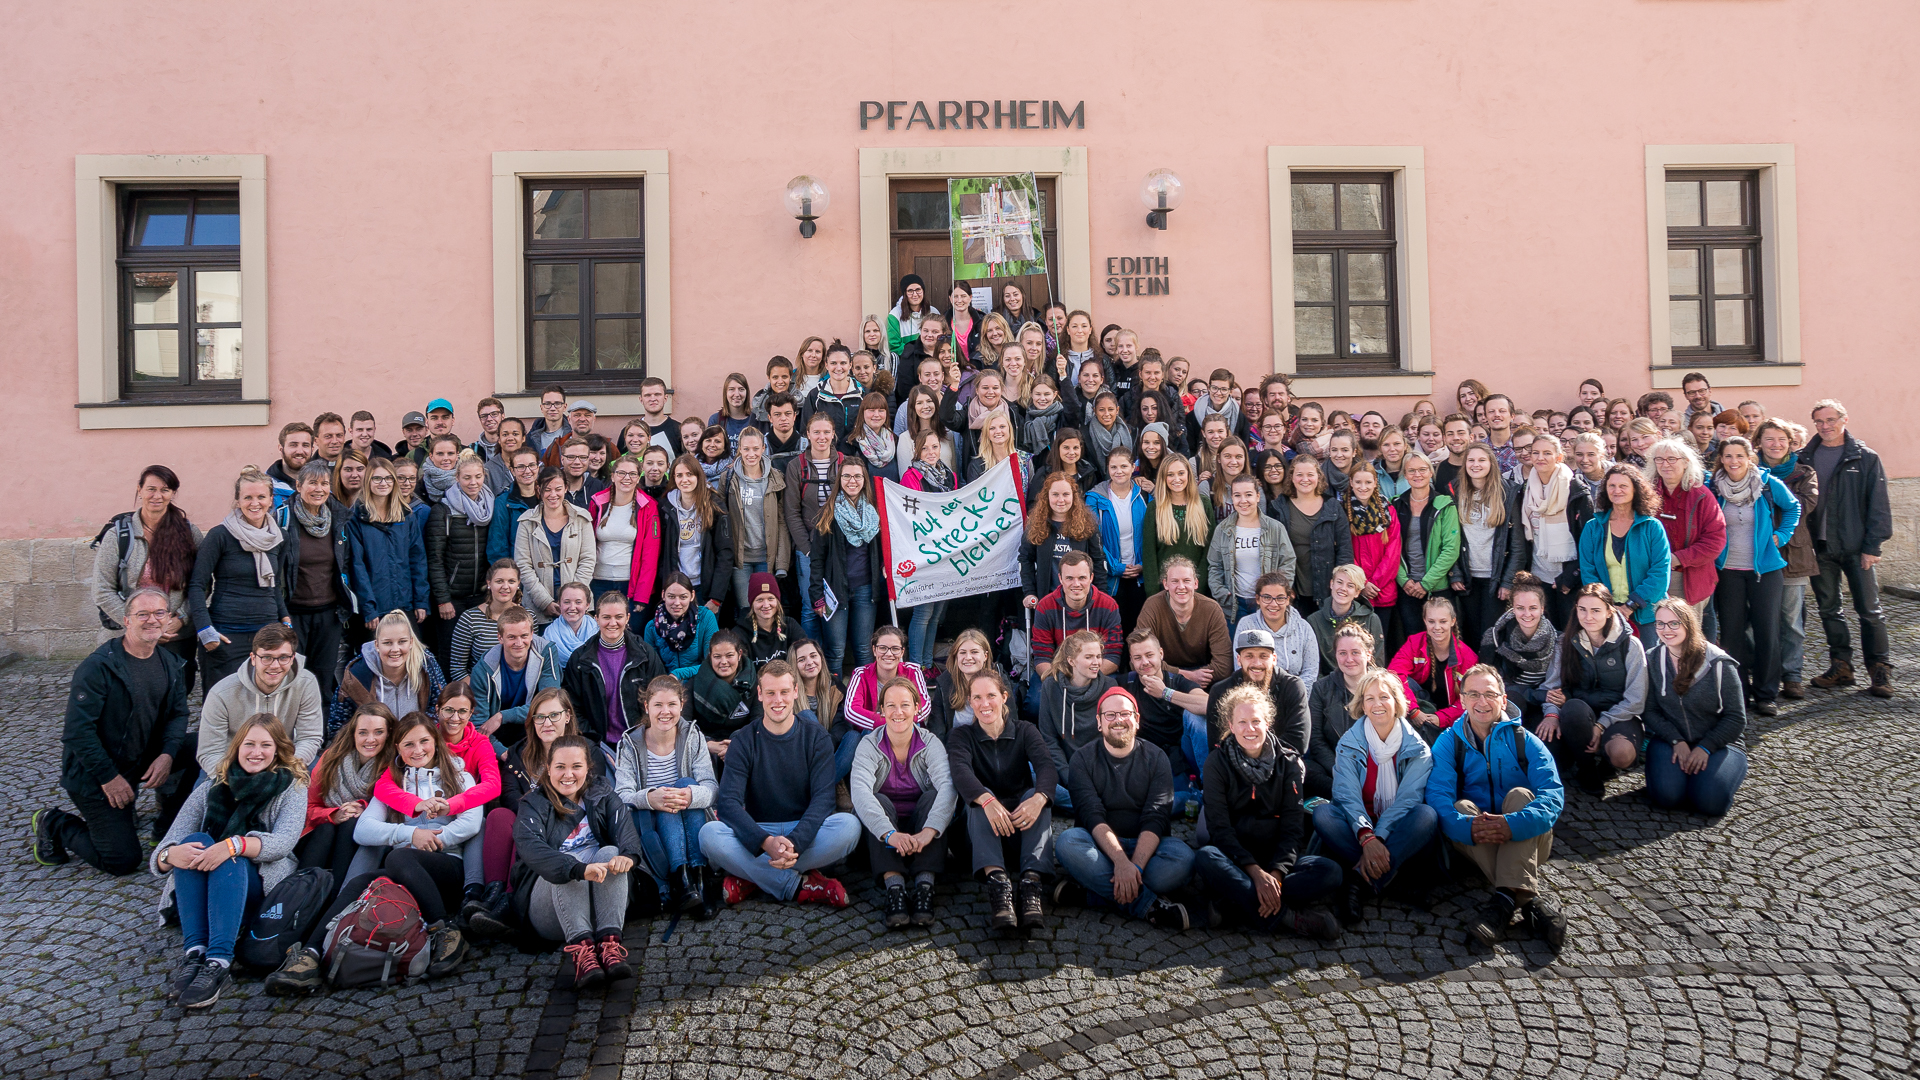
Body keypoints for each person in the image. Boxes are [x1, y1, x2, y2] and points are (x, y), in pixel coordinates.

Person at [150, 715, 308, 1008]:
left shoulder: (292, 787)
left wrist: (234, 845)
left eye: (265, 745)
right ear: (237, 747)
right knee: (193, 841)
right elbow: (165, 847)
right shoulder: (214, 784)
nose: (256, 752)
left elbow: (283, 842)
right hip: (207, 880)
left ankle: (219, 962)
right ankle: (194, 953)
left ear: (278, 750)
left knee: (228, 855)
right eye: (249, 744)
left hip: (260, 882)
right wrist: (170, 855)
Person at [32, 588, 191, 873]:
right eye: (142, 614)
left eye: (159, 613)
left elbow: (178, 715)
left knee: (204, 748)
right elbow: (77, 732)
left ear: (169, 619)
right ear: (126, 620)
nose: (152, 620)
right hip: (97, 773)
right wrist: (108, 778)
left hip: (140, 756)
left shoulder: (170, 662)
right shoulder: (99, 667)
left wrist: (167, 755)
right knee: (122, 861)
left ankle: (169, 823)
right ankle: (53, 822)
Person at [700, 661, 862, 906]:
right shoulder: (743, 740)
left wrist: (795, 842)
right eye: (771, 693)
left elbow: (824, 799)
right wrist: (766, 843)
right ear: (760, 694)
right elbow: (728, 803)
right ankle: (799, 885)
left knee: (849, 827)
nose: (778, 700)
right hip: (759, 831)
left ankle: (753, 877)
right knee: (708, 835)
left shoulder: (816, 737)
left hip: (804, 831)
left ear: (795, 692)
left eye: (784, 692)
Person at [1428, 665, 1567, 949]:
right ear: (1462, 700)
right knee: (1461, 806)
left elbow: (1553, 795)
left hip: (1529, 839)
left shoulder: (1524, 740)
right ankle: (1529, 901)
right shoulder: (1448, 742)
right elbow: (1437, 797)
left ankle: (1502, 903)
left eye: (1490, 694)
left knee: (1520, 795)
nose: (1482, 702)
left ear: (1503, 700)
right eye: (1473, 694)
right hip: (1477, 839)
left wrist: (1512, 824)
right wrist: (1466, 826)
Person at [1193, 684, 1343, 939]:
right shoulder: (1216, 763)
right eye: (1242, 722)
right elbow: (1219, 828)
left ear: (1268, 723)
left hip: (1275, 859)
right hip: (1236, 859)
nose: (1249, 729)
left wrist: (1275, 874)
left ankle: (1234, 904)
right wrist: (1255, 873)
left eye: (1256, 721)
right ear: (1230, 726)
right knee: (1206, 857)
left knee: (1331, 872)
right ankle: (1289, 918)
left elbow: (1293, 829)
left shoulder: (1288, 762)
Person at [1053, 686, 1194, 930]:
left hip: (1149, 851)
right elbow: (1091, 815)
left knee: (1185, 859)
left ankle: (1092, 894)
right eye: (1110, 715)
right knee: (1068, 843)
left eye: (1125, 714)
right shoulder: (1082, 760)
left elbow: (1156, 818)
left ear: (1137, 719)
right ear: (1099, 722)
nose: (1118, 720)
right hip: (1099, 848)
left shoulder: (1157, 758)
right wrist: (1120, 862)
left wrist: (1134, 866)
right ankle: (1148, 905)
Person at [1310, 668, 1440, 921]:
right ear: (1361, 705)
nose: (1377, 704)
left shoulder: (1418, 749)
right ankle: (1393, 880)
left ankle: (1358, 880)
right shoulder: (1348, 743)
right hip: (1357, 827)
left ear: (1397, 701)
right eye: (1369, 698)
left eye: (1384, 697)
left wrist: (1378, 837)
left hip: (1398, 827)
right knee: (1323, 814)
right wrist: (1367, 837)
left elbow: (1408, 800)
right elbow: (1346, 795)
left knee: (1426, 815)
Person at [946, 670, 1054, 933]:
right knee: (979, 796)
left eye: (991, 696)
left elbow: (1047, 768)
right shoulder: (962, 736)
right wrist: (987, 800)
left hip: (1018, 829)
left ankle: (1030, 886)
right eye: (977, 698)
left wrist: (1040, 798)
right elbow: (960, 772)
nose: (985, 704)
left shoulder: (1025, 730)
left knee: (1035, 796)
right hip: (976, 836)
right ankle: (999, 886)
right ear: (969, 702)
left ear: (1004, 697)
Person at [849, 678, 956, 929]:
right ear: (881, 710)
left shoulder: (930, 742)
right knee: (878, 799)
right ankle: (895, 888)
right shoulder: (869, 744)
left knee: (933, 798)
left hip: (921, 833)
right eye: (891, 705)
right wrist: (890, 834)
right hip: (882, 838)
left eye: (905, 705)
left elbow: (948, 786)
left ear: (917, 708)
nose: (898, 712)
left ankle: (924, 887)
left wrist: (929, 831)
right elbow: (860, 792)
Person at [1804, 400, 1893, 697]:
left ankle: (1879, 669)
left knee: (1869, 610)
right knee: (1829, 609)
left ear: (1844, 420)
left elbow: (1878, 505)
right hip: (1820, 547)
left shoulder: (1865, 458)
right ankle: (1841, 666)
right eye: (1819, 421)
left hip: (1857, 548)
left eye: (1830, 420)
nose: (1825, 426)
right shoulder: (1805, 457)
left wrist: (1873, 546)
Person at [92, 465, 205, 698]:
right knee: (128, 699)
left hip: (175, 635)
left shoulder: (188, 533)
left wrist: (182, 618)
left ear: (173, 493)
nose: (157, 495)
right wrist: (137, 624)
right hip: (128, 636)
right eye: (151, 489)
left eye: (165, 490)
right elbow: (102, 590)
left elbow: (202, 584)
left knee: (175, 696)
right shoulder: (119, 535)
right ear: (139, 490)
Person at [1710, 436, 1801, 716]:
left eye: (1739, 455)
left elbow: (1793, 507)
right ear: (1721, 459)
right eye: (1728, 456)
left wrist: (1782, 535)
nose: (1734, 461)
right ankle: (1738, 693)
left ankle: (1766, 694)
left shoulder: (1768, 483)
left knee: (1767, 632)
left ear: (1750, 457)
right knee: (1732, 634)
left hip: (1765, 571)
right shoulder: (1712, 487)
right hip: (1728, 571)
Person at [615, 677, 719, 916]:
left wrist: (689, 795)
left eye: (672, 704)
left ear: (681, 705)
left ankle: (698, 879)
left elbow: (712, 788)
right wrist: (650, 798)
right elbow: (621, 796)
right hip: (653, 824)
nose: (665, 712)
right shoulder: (630, 743)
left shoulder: (692, 735)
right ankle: (681, 878)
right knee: (666, 794)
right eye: (658, 705)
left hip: (690, 817)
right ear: (646, 707)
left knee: (685, 784)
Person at [189, 466, 296, 689]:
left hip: (267, 635)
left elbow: (274, 584)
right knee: (223, 702)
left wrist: (284, 617)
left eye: (261, 497)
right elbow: (197, 585)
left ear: (271, 500)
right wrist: (205, 630)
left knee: (264, 703)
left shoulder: (279, 537)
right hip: (227, 635)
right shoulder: (220, 536)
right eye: (248, 497)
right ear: (238, 501)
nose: (254, 503)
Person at [1536, 584, 1647, 795]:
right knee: (1568, 719)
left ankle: (1606, 763)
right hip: (1576, 714)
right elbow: (1552, 687)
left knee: (1622, 755)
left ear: (1609, 611)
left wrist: (1601, 725)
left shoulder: (1631, 645)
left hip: (1619, 715)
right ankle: (1586, 768)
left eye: (1596, 610)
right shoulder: (1565, 642)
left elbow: (1636, 699)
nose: (1588, 617)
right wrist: (1551, 714)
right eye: (1582, 610)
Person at [1644, 600, 1750, 816]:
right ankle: (1677, 776)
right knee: (1667, 797)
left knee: (1709, 802)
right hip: (1670, 740)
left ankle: (1710, 777)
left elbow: (1736, 717)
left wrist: (1706, 747)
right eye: (1660, 623)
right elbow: (1650, 711)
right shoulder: (1652, 659)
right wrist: (1676, 740)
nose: (1666, 630)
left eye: (1674, 623)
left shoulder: (1719, 663)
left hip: (1720, 744)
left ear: (1688, 624)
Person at [195, 624, 324, 780]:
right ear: (253, 658)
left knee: (322, 779)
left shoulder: (306, 683)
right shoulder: (221, 693)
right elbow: (210, 751)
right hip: (233, 766)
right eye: (266, 657)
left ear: (293, 658)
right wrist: (238, 780)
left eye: (283, 657)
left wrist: (284, 772)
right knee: (203, 793)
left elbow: (309, 737)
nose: (275, 665)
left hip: (286, 762)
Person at [296, 701, 392, 902]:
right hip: (319, 836)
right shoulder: (332, 758)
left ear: (389, 734)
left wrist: (362, 809)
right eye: (363, 732)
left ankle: (336, 900)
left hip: (358, 840)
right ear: (353, 734)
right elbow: (308, 808)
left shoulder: (392, 766)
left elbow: (392, 809)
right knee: (327, 829)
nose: (370, 739)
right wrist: (334, 814)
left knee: (351, 822)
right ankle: (298, 899)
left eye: (378, 732)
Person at [1754, 420, 1818, 700]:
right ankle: (1758, 671)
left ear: (1791, 443)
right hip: (1756, 554)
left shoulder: (1804, 472)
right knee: (1753, 619)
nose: (1776, 444)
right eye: (1769, 439)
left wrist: (1770, 491)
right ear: (1759, 442)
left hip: (1792, 552)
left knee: (1791, 620)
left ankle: (1792, 675)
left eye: (1781, 439)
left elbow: (1805, 505)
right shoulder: (1745, 468)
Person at [561, 591, 668, 753]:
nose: (613, 623)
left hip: (642, 742)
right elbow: (572, 707)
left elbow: (661, 697)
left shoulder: (645, 654)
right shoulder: (579, 659)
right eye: (606, 617)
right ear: (596, 618)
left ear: (627, 618)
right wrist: (594, 743)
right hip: (597, 745)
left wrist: (645, 736)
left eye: (619, 617)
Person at [281, 460, 351, 705]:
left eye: (324, 483)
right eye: (312, 483)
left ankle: (321, 728)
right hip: (294, 614)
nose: (319, 489)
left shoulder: (339, 519)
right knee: (292, 678)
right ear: (298, 486)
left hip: (329, 614)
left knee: (322, 681)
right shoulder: (283, 520)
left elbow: (345, 564)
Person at [1578, 464, 1673, 643]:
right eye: (1612, 486)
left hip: (1646, 615)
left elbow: (1660, 574)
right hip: (1605, 614)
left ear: (1635, 489)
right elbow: (1588, 572)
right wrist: (1607, 606)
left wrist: (1631, 605)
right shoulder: (1593, 527)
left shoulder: (1652, 527)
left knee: (1648, 659)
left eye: (1623, 486)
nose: (1617, 490)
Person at [809, 456, 882, 676]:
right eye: (847, 476)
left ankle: (863, 694)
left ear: (864, 479)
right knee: (835, 651)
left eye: (858, 476)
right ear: (839, 479)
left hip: (866, 590)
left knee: (864, 649)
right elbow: (817, 559)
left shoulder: (874, 513)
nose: (852, 481)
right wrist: (817, 596)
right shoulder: (828, 514)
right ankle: (834, 696)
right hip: (834, 591)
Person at [344, 456, 428, 644]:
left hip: (405, 604)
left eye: (388, 478)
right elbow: (357, 566)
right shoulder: (356, 518)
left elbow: (418, 561)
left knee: (412, 655)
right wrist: (368, 607)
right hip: (375, 608)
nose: (383, 483)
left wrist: (421, 601)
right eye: (377, 478)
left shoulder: (406, 516)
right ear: (368, 481)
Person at [424, 451, 495, 668]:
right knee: (450, 653)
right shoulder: (443, 510)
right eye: (467, 477)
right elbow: (434, 559)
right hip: (452, 598)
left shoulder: (490, 506)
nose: (473, 482)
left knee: (480, 653)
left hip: (481, 595)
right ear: (457, 478)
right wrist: (443, 599)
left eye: (478, 476)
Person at [328, 610, 448, 738]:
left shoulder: (427, 665)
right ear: (377, 645)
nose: (395, 649)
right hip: (375, 745)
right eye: (387, 643)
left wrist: (419, 733)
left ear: (411, 642)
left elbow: (441, 707)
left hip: (415, 742)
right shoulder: (357, 673)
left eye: (402, 641)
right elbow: (338, 725)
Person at [1028, 551, 1124, 706]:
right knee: (1035, 704)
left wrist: (1084, 678)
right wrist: (1068, 681)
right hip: (1057, 673)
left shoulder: (1108, 605)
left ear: (1091, 577)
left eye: (1082, 578)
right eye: (1069, 578)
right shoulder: (1045, 606)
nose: (1076, 584)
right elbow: (1042, 658)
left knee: (1114, 702)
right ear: (1060, 579)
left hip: (1097, 671)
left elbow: (1113, 657)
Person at [1038, 629, 1119, 811]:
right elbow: (1048, 739)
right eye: (1089, 657)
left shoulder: (1110, 686)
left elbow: (1112, 739)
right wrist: (1069, 776)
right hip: (1063, 770)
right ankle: (1092, 805)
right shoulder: (1051, 686)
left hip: (1098, 769)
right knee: (1030, 771)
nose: (1096, 662)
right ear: (1071, 661)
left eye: (1098, 656)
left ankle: (1085, 804)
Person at [1516, 436, 1593, 628]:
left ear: (1559, 457)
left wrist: (1571, 577)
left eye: (1547, 453)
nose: (1540, 457)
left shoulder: (1576, 489)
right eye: (1536, 453)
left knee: (1569, 633)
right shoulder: (1526, 488)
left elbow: (1588, 540)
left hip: (1568, 579)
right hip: (1538, 576)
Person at [1392, 452, 1462, 654]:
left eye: (1422, 469)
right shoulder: (1395, 504)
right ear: (1405, 475)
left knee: (1443, 643)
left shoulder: (1445, 505)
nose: (1417, 474)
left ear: (1431, 472)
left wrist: (1426, 583)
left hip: (1437, 587)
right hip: (1407, 588)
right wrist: (1404, 580)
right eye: (1412, 470)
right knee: (1414, 644)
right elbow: (1391, 548)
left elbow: (1451, 549)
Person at [1649, 438, 1727, 620]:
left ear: (1685, 462)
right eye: (1659, 459)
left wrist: (1677, 559)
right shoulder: (1646, 494)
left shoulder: (1702, 496)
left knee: (1683, 632)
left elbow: (1715, 541)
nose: (1665, 464)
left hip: (1688, 577)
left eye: (1671, 459)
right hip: (1651, 575)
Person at [785, 413, 845, 643]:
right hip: (808, 547)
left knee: (836, 605)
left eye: (826, 432)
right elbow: (792, 512)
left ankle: (834, 659)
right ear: (808, 434)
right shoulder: (796, 466)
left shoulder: (844, 463)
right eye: (816, 432)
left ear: (833, 434)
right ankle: (811, 657)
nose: (822, 437)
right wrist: (808, 549)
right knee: (811, 606)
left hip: (839, 547)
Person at [1205, 627, 1311, 757]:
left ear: (1274, 659)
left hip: (1281, 763)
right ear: (1239, 659)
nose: (1257, 663)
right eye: (1249, 656)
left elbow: (1298, 742)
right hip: (1234, 763)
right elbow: (1217, 743)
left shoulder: (1292, 686)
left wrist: (1260, 757)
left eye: (1263, 656)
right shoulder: (1221, 691)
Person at [469, 606, 564, 750]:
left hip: (537, 726)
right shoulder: (483, 670)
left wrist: (503, 716)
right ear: (500, 638)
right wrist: (505, 754)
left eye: (524, 636)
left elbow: (550, 704)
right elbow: (479, 726)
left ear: (532, 634)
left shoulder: (546, 652)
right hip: (498, 736)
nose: (519, 643)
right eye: (512, 637)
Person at [514, 467, 597, 626]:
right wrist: (544, 601)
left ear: (566, 488)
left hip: (576, 606)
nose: (553, 494)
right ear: (539, 490)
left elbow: (588, 560)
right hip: (537, 605)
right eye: (547, 490)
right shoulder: (526, 522)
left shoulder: (582, 519)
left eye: (558, 489)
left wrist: (572, 600)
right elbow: (522, 565)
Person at [1389, 594, 1477, 742]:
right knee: (1396, 683)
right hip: (1418, 708)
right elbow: (1393, 674)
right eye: (1431, 621)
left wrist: (1441, 718)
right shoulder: (1414, 643)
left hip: (1449, 717)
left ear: (1453, 621)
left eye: (1443, 621)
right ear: (1424, 621)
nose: (1437, 627)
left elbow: (1470, 698)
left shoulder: (1468, 657)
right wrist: (1413, 710)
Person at [586, 453, 663, 618]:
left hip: (630, 585)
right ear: (613, 476)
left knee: (630, 631)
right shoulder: (597, 502)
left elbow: (651, 554)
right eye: (621, 473)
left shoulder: (648, 506)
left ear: (638, 478)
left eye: (632, 474)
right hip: (598, 581)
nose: (626, 478)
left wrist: (642, 595)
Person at [1208, 476, 1293, 625]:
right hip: (1235, 604)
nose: (1243, 500)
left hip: (1267, 603)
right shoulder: (1222, 529)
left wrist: (1278, 594)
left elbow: (1288, 562)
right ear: (1232, 498)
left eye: (1248, 494)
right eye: (1237, 495)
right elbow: (1214, 565)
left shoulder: (1275, 528)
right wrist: (1221, 593)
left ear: (1258, 496)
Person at [1136, 557, 1233, 687]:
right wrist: (1187, 676)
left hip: (1203, 677)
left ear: (1196, 583)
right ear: (1165, 584)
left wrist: (1198, 677)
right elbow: (1139, 657)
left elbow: (1224, 665)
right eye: (1174, 581)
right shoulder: (1152, 606)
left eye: (1186, 581)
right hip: (1164, 678)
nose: (1181, 587)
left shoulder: (1211, 609)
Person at [1479, 574, 1559, 724]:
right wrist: (1537, 695)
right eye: (1520, 608)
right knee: (1512, 700)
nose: (1527, 614)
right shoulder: (1496, 637)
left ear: (1542, 609)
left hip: (1546, 704)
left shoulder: (1557, 640)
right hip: (1512, 700)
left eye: (1533, 608)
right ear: (1513, 609)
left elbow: (1556, 688)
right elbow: (1495, 685)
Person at [1305, 623, 1373, 799]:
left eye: (1355, 652)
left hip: (1377, 767)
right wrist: (1342, 770)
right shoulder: (1321, 689)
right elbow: (1316, 740)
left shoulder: (1383, 686)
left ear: (1368, 654)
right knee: (1306, 770)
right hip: (1336, 766)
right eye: (1342, 653)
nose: (1349, 659)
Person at [1021, 473, 1109, 606]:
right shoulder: (1036, 525)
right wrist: (1029, 592)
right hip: (1047, 600)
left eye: (1066, 494)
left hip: (1081, 601)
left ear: (1074, 496)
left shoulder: (1087, 524)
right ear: (1047, 496)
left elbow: (1098, 561)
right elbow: (1025, 559)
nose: (1061, 500)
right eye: (1055, 494)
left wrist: (1100, 596)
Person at [1089, 444, 1150, 628]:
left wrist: (1143, 564)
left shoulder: (1145, 495)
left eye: (1124, 466)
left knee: (1139, 629)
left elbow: (1154, 534)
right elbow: (1093, 539)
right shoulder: (1095, 498)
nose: (1119, 471)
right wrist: (1115, 567)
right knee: (1114, 630)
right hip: (1111, 577)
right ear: (1107, 469)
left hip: (1140, 576)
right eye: (1113, 467)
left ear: (1133, 467)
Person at [1233, 573, 1318, 690]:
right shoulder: (1246, 625)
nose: (1274, 604)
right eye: (1267, 597)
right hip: (1256, 695)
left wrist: (1296, 697)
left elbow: (1310, 673)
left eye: (1280, 598)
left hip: (1295, 695)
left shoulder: (1304, 628)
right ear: (1258, 599)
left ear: (1288, 600)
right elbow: (1241, 670)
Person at [1140, 456, 1212, 596]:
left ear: (1188, 475)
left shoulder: (1203, 504)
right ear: (1163, 478)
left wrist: (1199, 588)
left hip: (1196, 589)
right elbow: (1149, 555)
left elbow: (1209, 551)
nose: (1176, 479)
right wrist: (1153, 594)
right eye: (1170, 474)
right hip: (1165, 590)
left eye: (1181, 473)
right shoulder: (1155, 508)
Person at [1343, 465, 1401, 621]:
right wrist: (1361, 583)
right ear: (1351, 482)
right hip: (1354, 591)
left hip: (1382, 590)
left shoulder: (1388, 511)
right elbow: (1345, 550)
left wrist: (1374, 583)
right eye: (1358, 482)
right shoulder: (1343, 511)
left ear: (1375, 482)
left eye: (1368, 482)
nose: (1363, 487)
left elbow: (1393, 552)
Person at [1306, 564, 1389, 673]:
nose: (1343, 588)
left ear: (1357, 592)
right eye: (1339, 582)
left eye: (1350, 586)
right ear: (1331, 584)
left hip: (1363, 681)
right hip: (1328, 681)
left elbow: (1377, 664)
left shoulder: (1371, 619)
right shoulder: (1314, 621)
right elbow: (1314, 666)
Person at [449, 559, 522, 681]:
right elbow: (457, 669)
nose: (505, 586)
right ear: (489, 583)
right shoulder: (470, 618)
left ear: (518, 584)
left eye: (511, 581)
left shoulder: (528, 617)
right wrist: (479, 691)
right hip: (479, 687)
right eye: (499, 581)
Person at [644, 573, 719, 680]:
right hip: (666, 684)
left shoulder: (706, 618)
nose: (677, 603)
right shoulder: (651, 628)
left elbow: (712, 663)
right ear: (663, 595)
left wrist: (678, 674)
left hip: (700, 681)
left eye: (683, 597)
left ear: (692, 596)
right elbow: (652, 668)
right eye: (671, 597)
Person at [926, 628, 996, 739]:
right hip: (957, 744)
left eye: (974, 652)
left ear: (985, 656)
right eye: (963, 652)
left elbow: (1010, 722)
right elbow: (936, 730)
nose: (968, 658)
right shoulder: (945, 682)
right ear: (956, 656)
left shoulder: (998, 680)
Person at [487, 447, 544, 566]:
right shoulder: (503, 502)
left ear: (538, 467)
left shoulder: (547, 499)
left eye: (532, 465)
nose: (527, 471)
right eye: (521, 467)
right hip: (518, 570)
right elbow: (497, 547)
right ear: (512, 471)